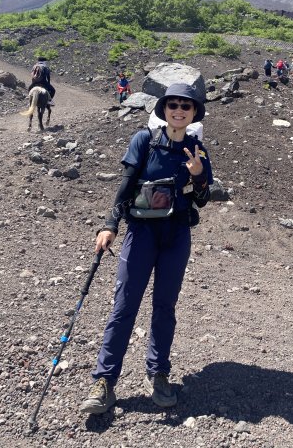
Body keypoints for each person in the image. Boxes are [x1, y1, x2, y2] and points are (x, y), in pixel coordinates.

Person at [80, 83, 213, 415]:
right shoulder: (144, 140)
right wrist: (110, 224)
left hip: (176, 234)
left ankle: (160, 373)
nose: (179, 110)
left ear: (194, 112)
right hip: (140, 232)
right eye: (173, 105)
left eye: (186, 106)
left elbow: (202, 199)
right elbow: (126, 183)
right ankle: (105, 381)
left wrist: (198, 175)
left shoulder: (198, 151)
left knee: (164, 307)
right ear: (164, 109)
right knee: (124, 306)